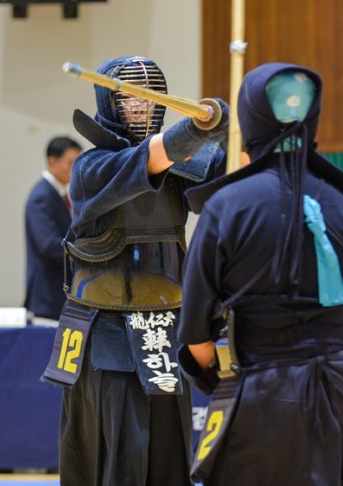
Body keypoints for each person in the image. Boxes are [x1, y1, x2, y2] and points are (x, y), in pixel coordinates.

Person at [176, 63, 343, 485]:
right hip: (336, 390)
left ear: (249, 121)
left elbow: (195, 337)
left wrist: (221, 382)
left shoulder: (227, 207)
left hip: (255, 391)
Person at [41, 55, 227, 486]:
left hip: (164, 329)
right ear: (109, 103)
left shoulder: (179, 166)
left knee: (168, 456)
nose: (142, 106)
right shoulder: (91, 169)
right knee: (117, 455)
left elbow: (226, 169)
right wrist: (199, 127)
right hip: (105, 333)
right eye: (130, 98)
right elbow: (154, 155)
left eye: (150, 97)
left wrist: (225, 125)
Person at [24, 136, 83, 321]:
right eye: (70, 163)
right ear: (52, 162)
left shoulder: (61, 194)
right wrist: (85, 251)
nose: (75, 169)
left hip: (60, 295)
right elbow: (48, 245)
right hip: (48, 297)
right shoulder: (42, 196)